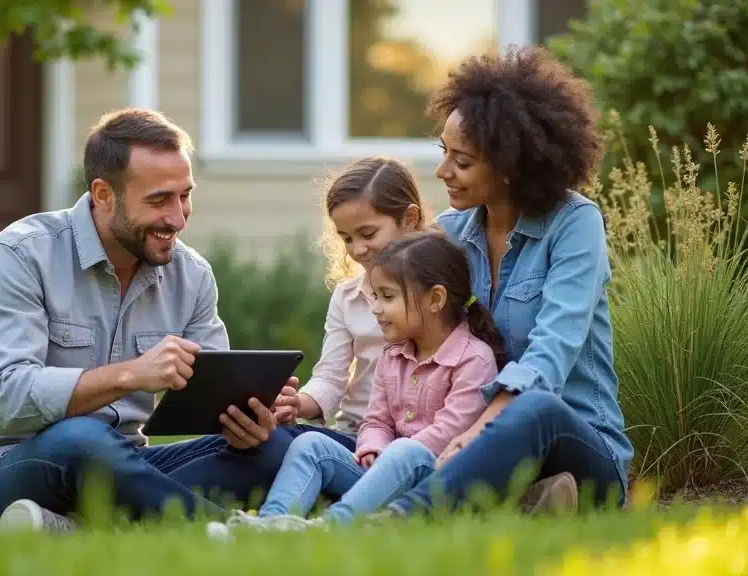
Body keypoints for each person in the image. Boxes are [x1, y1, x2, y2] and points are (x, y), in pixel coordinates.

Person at [0, 108, 300, 534]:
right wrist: (131, 374)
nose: (178, 217)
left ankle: (78, 528)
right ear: (103, 194)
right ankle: (228, 532)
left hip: (126, 466)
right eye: (158, 200)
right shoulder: (20, 256)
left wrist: (250, 416)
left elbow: (212, 396)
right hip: (10, 474)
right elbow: (5, 399)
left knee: (277, 448)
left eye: (185, 195)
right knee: (80, 439)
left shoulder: (193, 275)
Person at [380, 45, 634, 518]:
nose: (442, 172)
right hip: (480, 451)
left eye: (462, 160)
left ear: (510, 165)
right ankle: (525, 502)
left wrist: (479, 432)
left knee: (533, 408)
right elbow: (403, 319)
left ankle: (398, 519)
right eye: (443, 153)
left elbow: (553, 350)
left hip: (578, 445)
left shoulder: (575, 224)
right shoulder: (451, 236)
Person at [207, 232, 505, 537]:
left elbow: (449, 433)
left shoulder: (473, 360)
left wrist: (390, 455)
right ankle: (272, 523)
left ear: (435, 300)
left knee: (406, 451)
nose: (376, 308)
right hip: (386, 470)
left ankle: (330, 528)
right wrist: (373, 447)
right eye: (376, 296)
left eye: (387, 297)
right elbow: (377, 420)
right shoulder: (393, 355)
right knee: (311, 445)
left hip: (439, 482)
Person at [269, 156, 426, 452]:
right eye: (346, 239)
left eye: (368, 234)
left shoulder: (436, 291)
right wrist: (297, 404)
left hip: (416, 438)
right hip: (354, 434)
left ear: (409, 219)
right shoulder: (348, 297)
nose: (358, 249)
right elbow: (330, 377)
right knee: (273, 440)